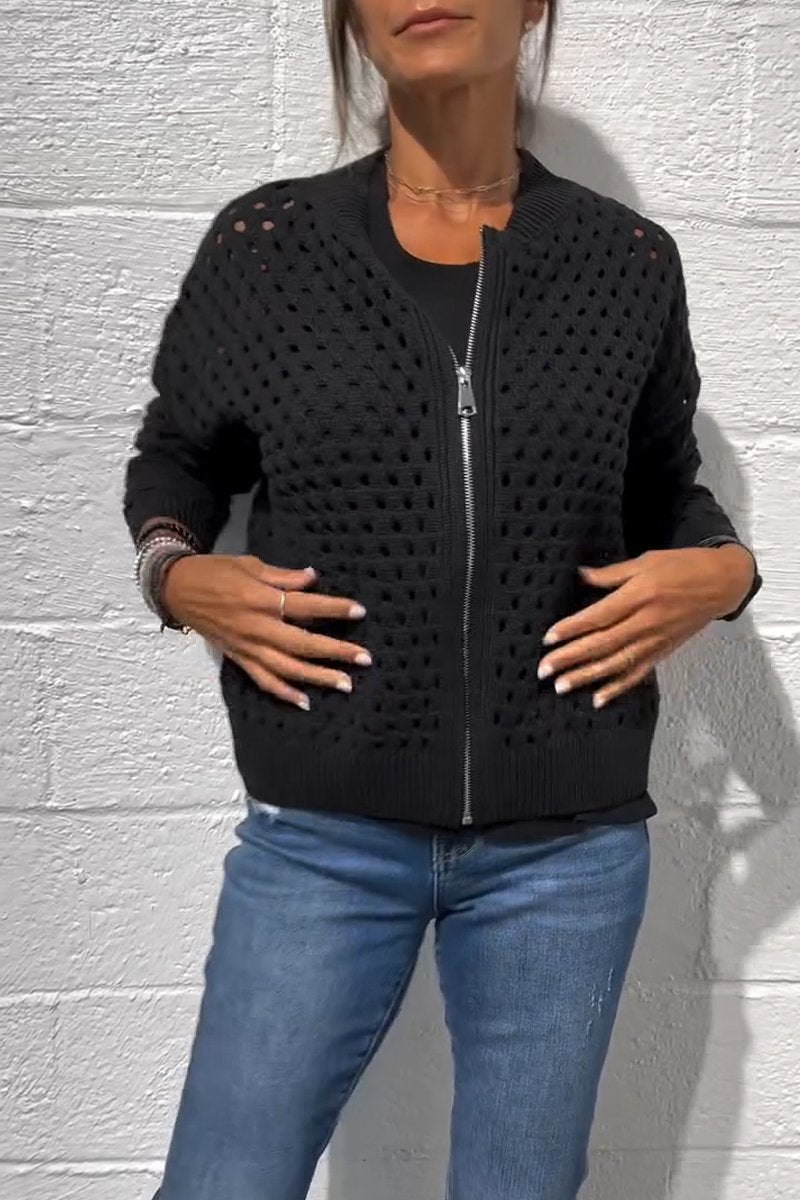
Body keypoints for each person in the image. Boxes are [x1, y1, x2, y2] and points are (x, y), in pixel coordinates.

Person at [122, 2, 762, 1197]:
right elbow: (176, 458)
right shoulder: (267, 247)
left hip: (565, 851)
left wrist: (724, 569)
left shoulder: (624, 261)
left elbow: (661, 487)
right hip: (321, 837)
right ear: (351, 21)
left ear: (533, 5)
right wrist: (177, 570)